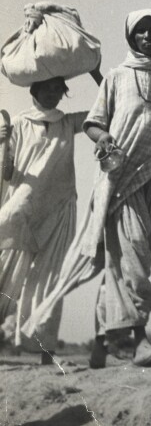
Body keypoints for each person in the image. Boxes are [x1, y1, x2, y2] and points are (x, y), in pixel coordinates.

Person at [24, 9, 151, 368]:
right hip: (119, 176)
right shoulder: (116, 77)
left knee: (124, 258)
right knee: (134, 254)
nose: (146, 37)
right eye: (140, 32)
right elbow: (93, 123)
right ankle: (140, 340)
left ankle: (102, 344)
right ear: (131, 37)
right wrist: (104, 140)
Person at [0, 78, 89, 365]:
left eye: (58, 88)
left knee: (51, 279)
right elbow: (6, 173)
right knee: (6, 274)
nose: (53, 94)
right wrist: (2, 141)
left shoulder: (68, 122)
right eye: (47, 87)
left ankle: (46, 353)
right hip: (23, 204)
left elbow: (108, 108)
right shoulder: (18, 123)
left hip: (59, 208)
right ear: (34, 90)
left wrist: (97, 73)